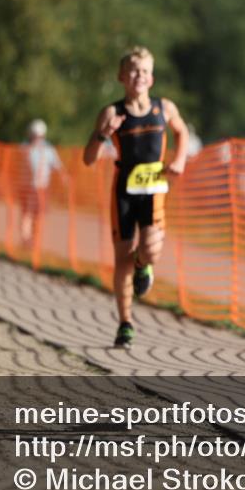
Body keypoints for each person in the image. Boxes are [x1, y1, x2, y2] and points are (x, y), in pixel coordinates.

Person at [82, 46, 189, 349]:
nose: (138, 75)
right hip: (124, 191)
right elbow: (88, 158)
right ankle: (125, 323)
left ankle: (145, 265)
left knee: (151, 248)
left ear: (151, 78)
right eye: (132, 70)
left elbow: (182, 133)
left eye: (143, 70)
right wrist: (103, 134)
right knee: (122, 257)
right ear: (121, 76)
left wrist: (179, 160)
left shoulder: (164, 108)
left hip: (154, 187)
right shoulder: (112, 112)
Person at [19, 119, 67, 248]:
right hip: (27, 187)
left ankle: (35, 239)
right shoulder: (24, 148)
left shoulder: (48, 149)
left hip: (42, 188)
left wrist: (64, 177)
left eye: (39, 135)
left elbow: (57, 165)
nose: (36, 138)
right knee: (27, 213)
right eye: (34, 135)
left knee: (39, 214)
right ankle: (26, 239)